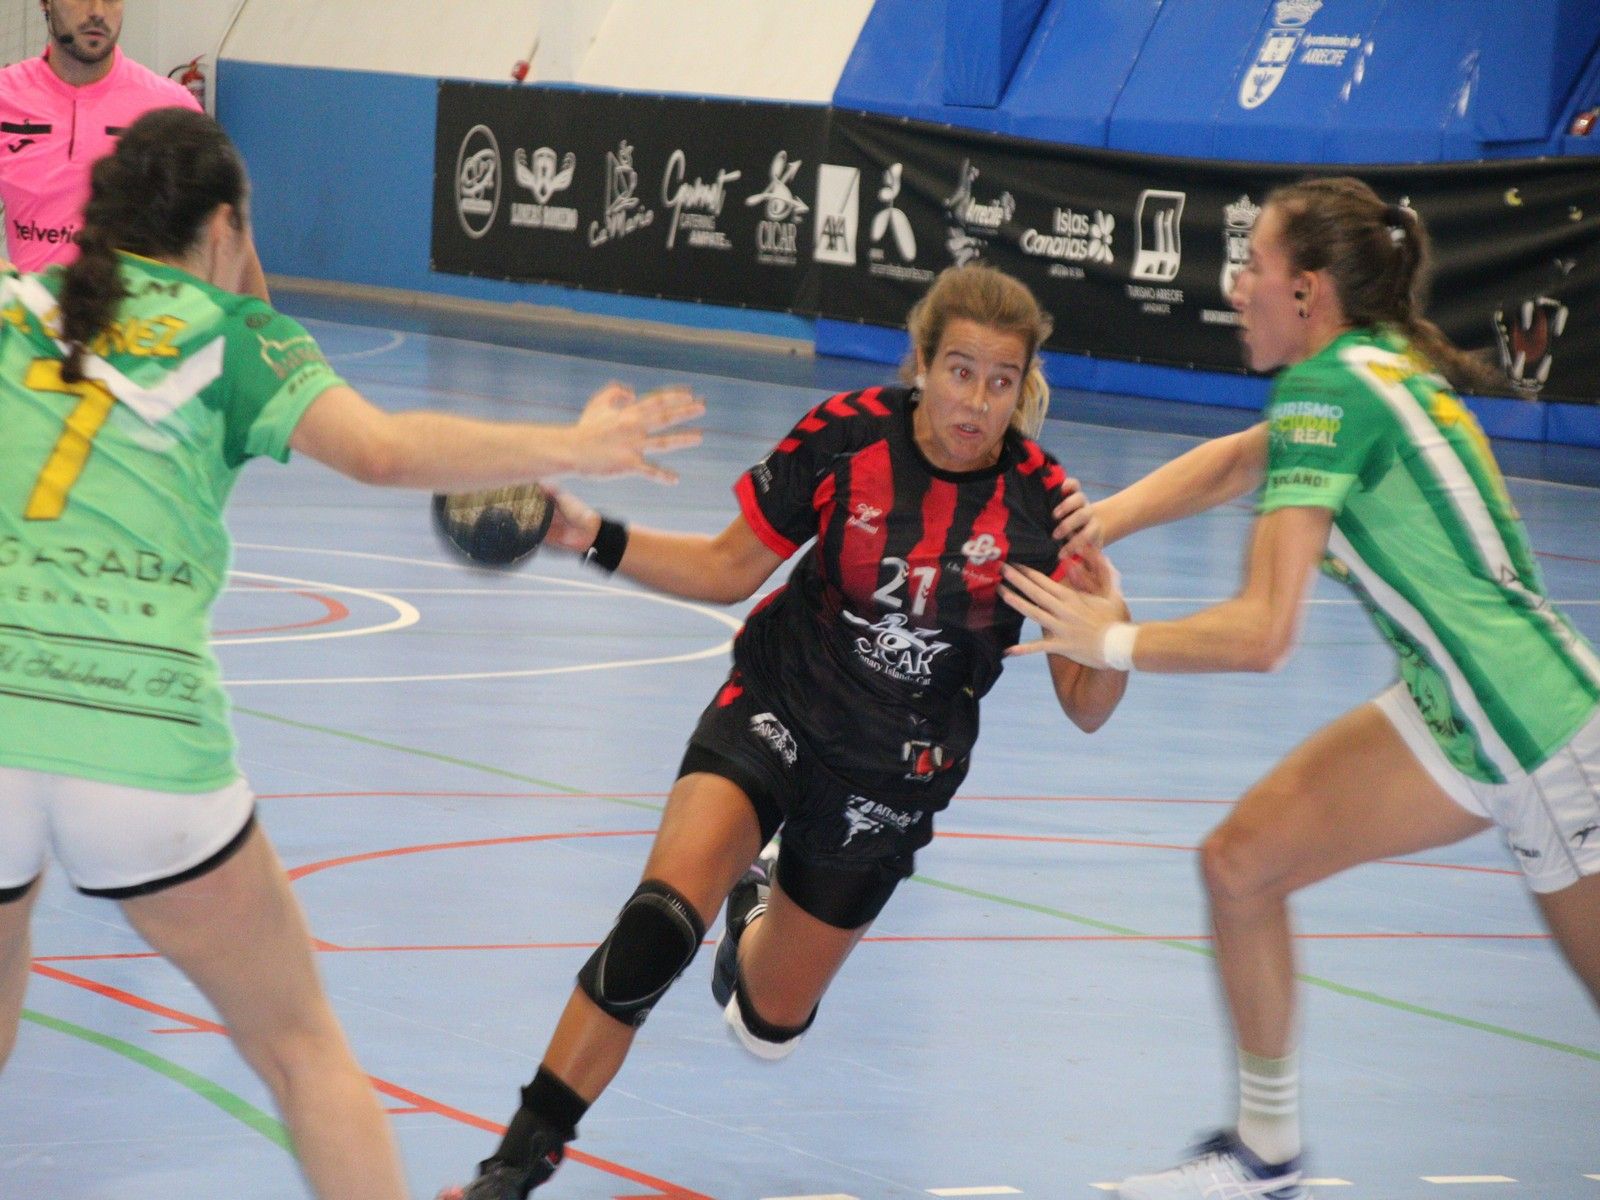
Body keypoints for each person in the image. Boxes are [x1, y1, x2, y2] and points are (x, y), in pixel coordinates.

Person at [0, 107, 702, 1200]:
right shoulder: (232, 341)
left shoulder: (17, 307)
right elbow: (377, 449)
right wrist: (573, 443)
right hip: (135, 736)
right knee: (301, 1051)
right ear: (227, 224)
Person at [438, 262, 1126, 1200]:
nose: (976, 400)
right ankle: (514, 1164)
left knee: (769, 1022)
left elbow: (1086, 708)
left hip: (893, 775)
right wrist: (591, 535)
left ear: (1023, 389)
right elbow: (730, 568)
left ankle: (753, 909)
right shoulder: (845, 440)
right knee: (657, 920)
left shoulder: (1045, 511)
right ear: (921, 363)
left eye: (1000, 380)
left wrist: (1109, 628)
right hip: (783, 701)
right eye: (959, 369)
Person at [1000, 176, 1600, 1200]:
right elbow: (1239, 463)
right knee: (1242, 864)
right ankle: (1264, 1152)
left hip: (1532, 736)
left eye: (1254, 267)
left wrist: (1115, 642)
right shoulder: (1362, 369)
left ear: (1307, 290)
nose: (1236, 287)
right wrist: (1088, 524)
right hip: (1453, 713)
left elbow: (1263, 635)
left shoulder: (1332, 387)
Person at [0, 0, 270, 297]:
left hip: (138, 332)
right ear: (45, 2)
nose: (97, 12)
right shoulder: (6, 97)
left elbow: (232, 232)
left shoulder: (170, 106)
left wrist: (261, 331)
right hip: (35, 329)